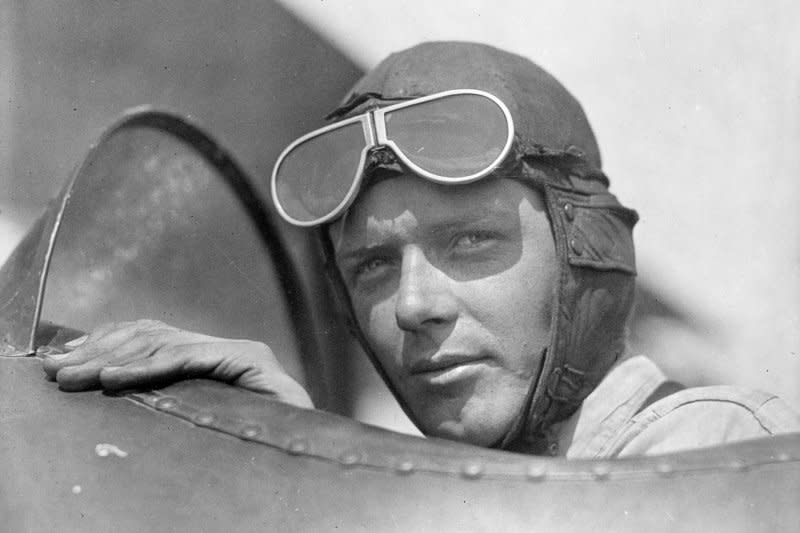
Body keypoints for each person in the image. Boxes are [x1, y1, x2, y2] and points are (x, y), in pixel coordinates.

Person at [41, 41, 800, 458]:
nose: (413, 305)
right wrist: (309, 452)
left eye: (471, 240)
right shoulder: (471, 477)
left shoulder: (703, 444)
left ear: (583, 253)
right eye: (371, 265)